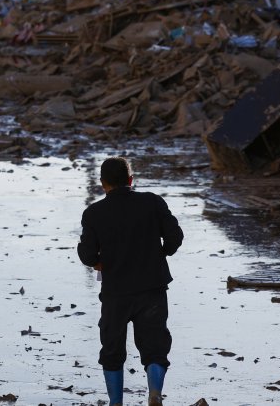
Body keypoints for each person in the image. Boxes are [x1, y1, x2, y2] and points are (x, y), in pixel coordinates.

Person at [77, 157, 183, 406]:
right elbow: (175, 237)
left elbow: (87, 254)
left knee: (112, 349)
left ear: (103, 184)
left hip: (116, 292)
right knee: (155, 346)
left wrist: (97, 262)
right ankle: (154, 393)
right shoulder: (153, 202)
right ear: (131, 180)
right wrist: (162, 252)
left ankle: (116, 402)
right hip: (152, 289)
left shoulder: (94, 213)